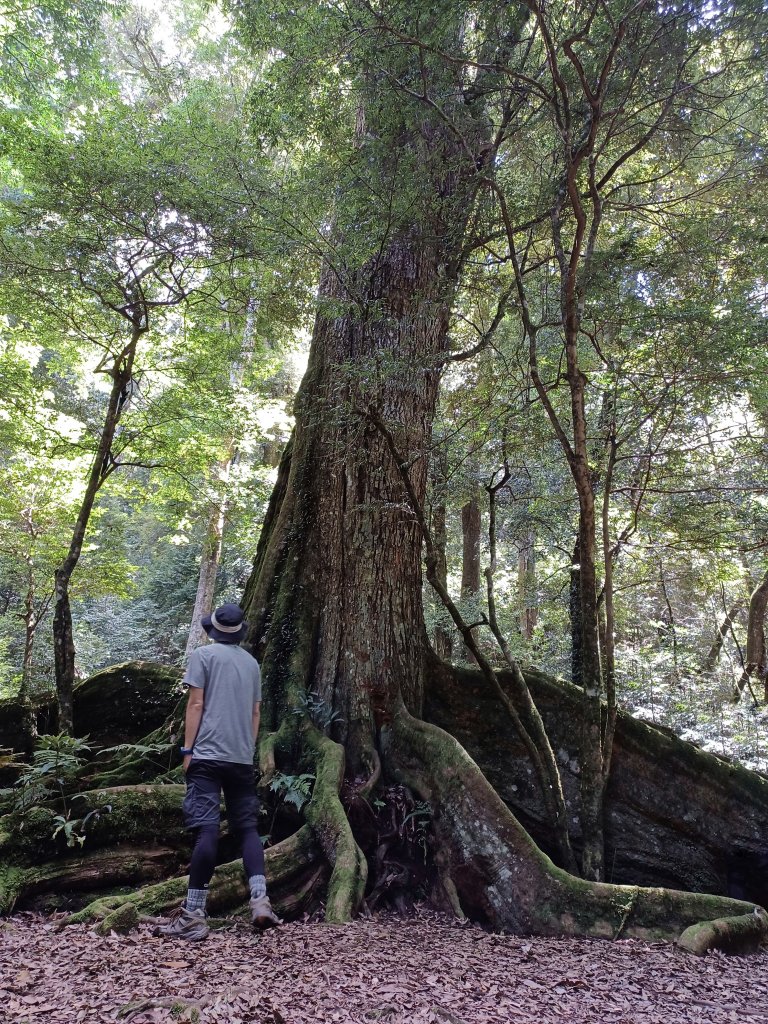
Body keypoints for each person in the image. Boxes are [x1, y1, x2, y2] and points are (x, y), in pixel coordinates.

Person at [157, 602, 282, 941]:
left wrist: (187, 750)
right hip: (241, 759)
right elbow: (255, 714)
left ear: (213, 630)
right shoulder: (252, 664)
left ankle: (194, 914)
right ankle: (260, 902)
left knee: (207, 831)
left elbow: (196, 703)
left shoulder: (204, 657)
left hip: (206, 757)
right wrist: (246, 749)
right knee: (247, 830)